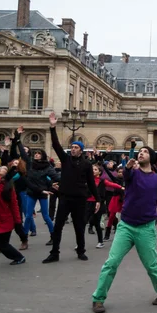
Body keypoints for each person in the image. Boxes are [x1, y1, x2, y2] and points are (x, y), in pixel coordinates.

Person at [91, 146, 157, 313]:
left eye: (145, 151)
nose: (141, 153)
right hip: (126, 226)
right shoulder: (132, 173)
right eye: (140, 151)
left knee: (151, 265)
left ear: (151, 158)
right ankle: (98, 298)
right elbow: (126, 175)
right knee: (111, 263)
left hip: (146, 228)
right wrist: (128, 166)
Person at [42, 112, 100, 263]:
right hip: (65, 197)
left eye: (76, 147)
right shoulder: (66, 159)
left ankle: (81, 251)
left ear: (81, 150)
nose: (73, 149)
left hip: (80, 199)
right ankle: (54, 252)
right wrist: (53, 127)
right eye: (72, 147)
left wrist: (98, 199)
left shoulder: (87, 164)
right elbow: (55, 144)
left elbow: (92, 182)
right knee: (58, 226)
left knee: (79, 226)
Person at [24, 148, 60, 245]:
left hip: (43, 193)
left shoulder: (47, 167)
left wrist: (67, 178)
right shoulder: (30, 164)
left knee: (46, 216)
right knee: (28, 216)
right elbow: (23, 155)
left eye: (39, 153)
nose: (36, 155)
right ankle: (24, 239)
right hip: (31, 192)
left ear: (42, 155)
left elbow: (56, 177)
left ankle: (53, 236)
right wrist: (17, 140)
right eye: (35, 153)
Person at [86, 158, 123, 249]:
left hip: (98, 204)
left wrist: (121, 187)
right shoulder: (87, 180)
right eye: (92, 169)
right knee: (82, 223)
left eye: (95, 169)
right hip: (88, 203)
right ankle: (80, 243)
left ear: (99, 172)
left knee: (97, 223)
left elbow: (112, 184)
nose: (93, 171)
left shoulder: (102, 181)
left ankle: (100, 241)